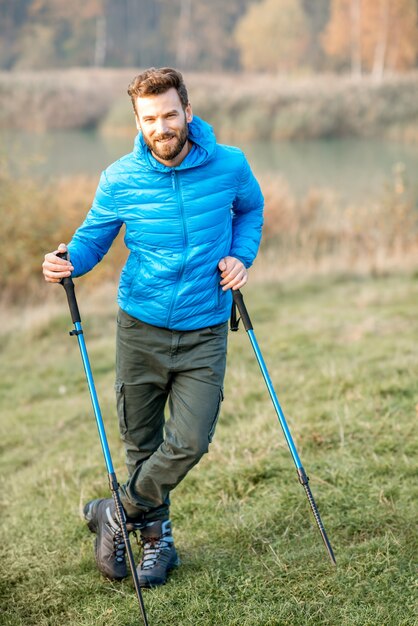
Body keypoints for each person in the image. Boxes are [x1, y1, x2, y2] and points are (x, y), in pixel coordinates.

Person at [42, 67, 264, 588]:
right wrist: (66, 261)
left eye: (169, 114)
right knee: (141, 442)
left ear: (187, 110)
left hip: (204, 327)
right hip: (140, 326)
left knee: (189, 440)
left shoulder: (230, 165)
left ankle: (113, 511)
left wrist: (240, 254)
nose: (161, 127)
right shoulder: (120, 177)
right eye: (149, 119)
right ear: (137, 121)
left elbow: (251, 209)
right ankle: (157, 546)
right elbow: (93, 238)